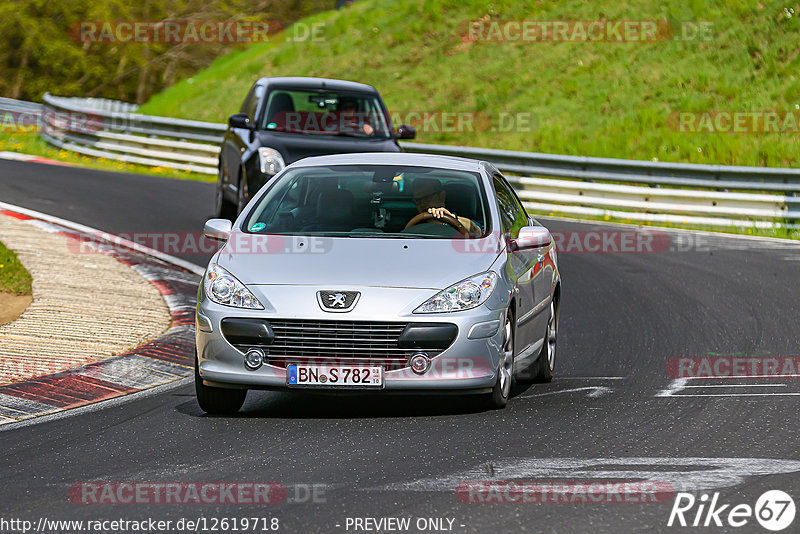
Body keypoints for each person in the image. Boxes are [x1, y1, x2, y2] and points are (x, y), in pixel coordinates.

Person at [410, 178, 482, 236]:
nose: (422, 204)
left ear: (442, 196)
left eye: (426, 199)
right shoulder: (412, 220)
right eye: (418, 200)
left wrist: (451, 218)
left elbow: (477, 231)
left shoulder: (457, 219)